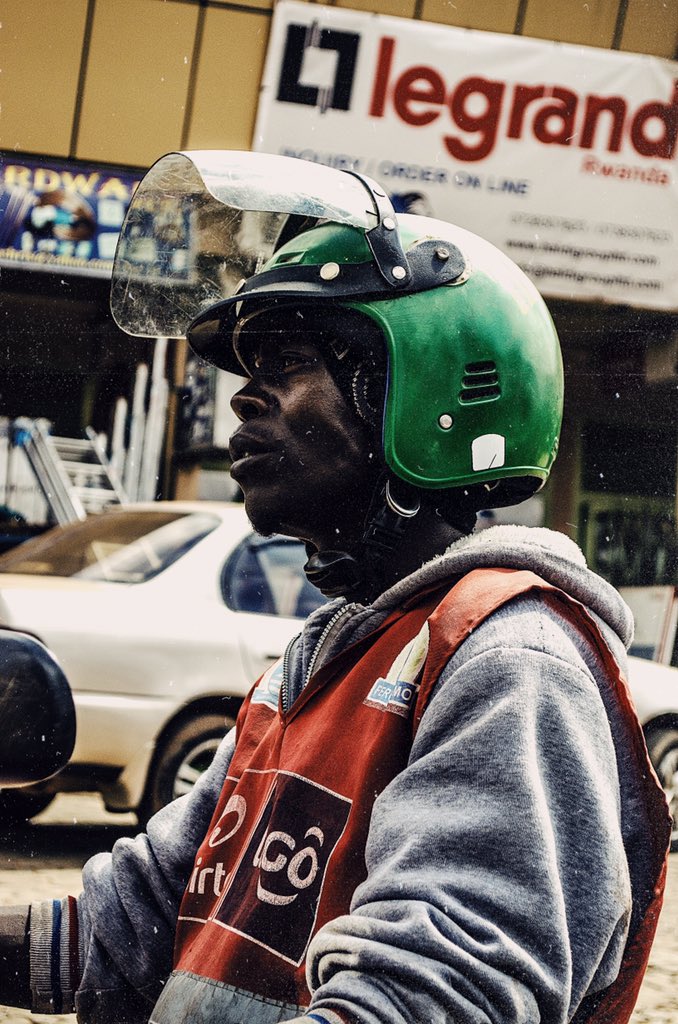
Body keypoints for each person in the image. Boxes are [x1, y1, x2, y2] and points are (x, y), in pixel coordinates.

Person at [0, 157, 671, 1024]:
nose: (245, 399)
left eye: (289, 363)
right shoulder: (315, 668)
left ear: (425, 392)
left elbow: (428, 999)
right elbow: (127, 932)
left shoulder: (510, 658)